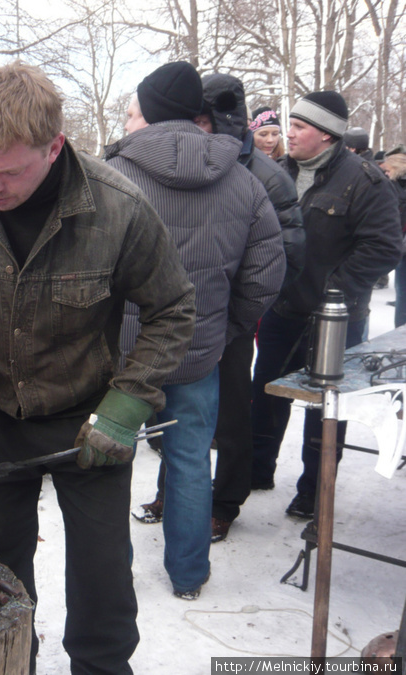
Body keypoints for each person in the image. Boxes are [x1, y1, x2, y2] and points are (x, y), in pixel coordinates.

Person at [0, 61, 197, 673]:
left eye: (8, 172)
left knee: (102, 572)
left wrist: (129, 403)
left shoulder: (118, 208)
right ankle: (10, 662)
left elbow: (175, 308)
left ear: (54, 147)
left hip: (91, 417)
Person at [105, 62, 285, 599]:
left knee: (110, 458)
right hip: (198, 351)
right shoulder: (245, 182)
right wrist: (224, 326)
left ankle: (107, 575)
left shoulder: (111, 177)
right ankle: (188, 575)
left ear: (151, 111)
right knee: (188, 461)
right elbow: (265, 274)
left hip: (122, 354)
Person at [250, 91, 403, 519]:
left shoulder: (365, 181)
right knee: (265, 394)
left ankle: (314, 490)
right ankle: (256, 469)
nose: (288, 134)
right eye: (289, 126)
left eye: (298, 127)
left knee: (325, 410)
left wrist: (334, 290)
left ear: (325, 134)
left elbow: (385, 247)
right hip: (281, 311)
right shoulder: (279, 172)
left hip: (336, 320)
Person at [196, 73, 305, 542]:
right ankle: (181, 491)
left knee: (233, 410)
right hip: (190, 309)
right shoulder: (195, 162)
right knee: (180, 408)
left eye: (201, 120)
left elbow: (288, 254)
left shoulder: (266, 175)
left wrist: (240, 313)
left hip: (235, 316)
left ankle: (225, 501)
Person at [379, 149, 406, 327]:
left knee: (403, 295)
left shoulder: (394, 188)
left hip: (402, 247)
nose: (386, 175)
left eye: (388, 171)